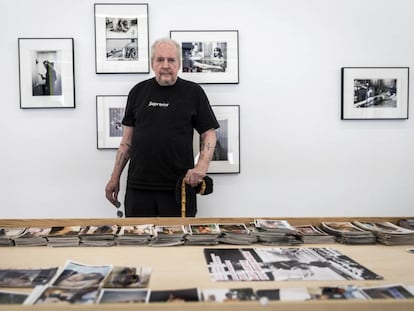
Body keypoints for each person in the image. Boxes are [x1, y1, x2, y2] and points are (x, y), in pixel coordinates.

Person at [105, 38, 219, 217]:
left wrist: (201, 167)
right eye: (160, 60)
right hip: (139, 187)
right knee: (138, 241)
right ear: (152, 63)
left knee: (179, 243)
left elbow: (209, 134)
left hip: (178, 188)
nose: (165, 65)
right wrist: (114, 177)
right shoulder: (137, 92)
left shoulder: (193, 93)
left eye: (171, 60)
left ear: (179, 64)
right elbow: (126, 143)